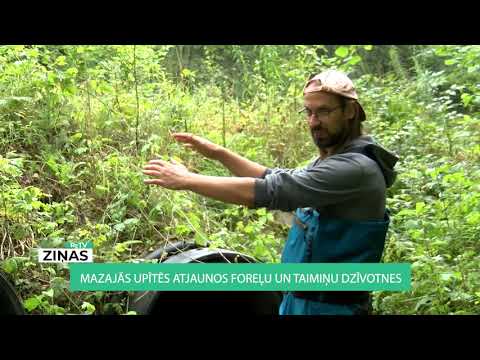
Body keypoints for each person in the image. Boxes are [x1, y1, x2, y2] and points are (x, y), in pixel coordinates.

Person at [142, 69, 399, 315]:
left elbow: (271, 190)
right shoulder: (333, 161)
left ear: (350, 111)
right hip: (301, 300)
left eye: (323, 112)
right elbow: (272, 176)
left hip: (330, 307)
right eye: (308, 112)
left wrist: (188, 180)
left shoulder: (355, 169)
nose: (313, 122)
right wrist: (218, 153)